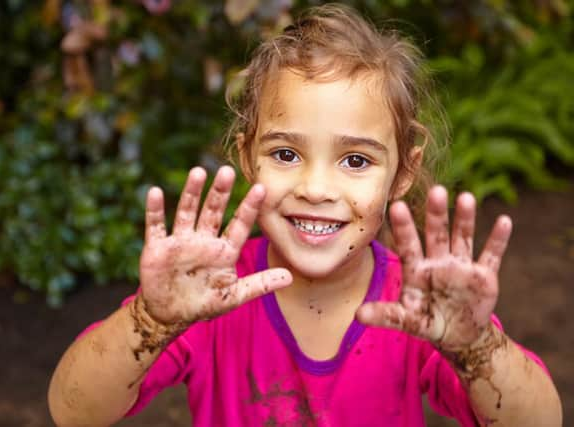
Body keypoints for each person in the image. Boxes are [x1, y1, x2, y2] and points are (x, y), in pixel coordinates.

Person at [48, 4, 562, 426]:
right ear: (247, 154)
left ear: (403, 171)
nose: (316, 189)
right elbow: (74, 411)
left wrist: (477, 348)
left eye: (355, 160)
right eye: (286, 154)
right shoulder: (208, 293)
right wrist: (151, 321)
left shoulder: (417, 305)